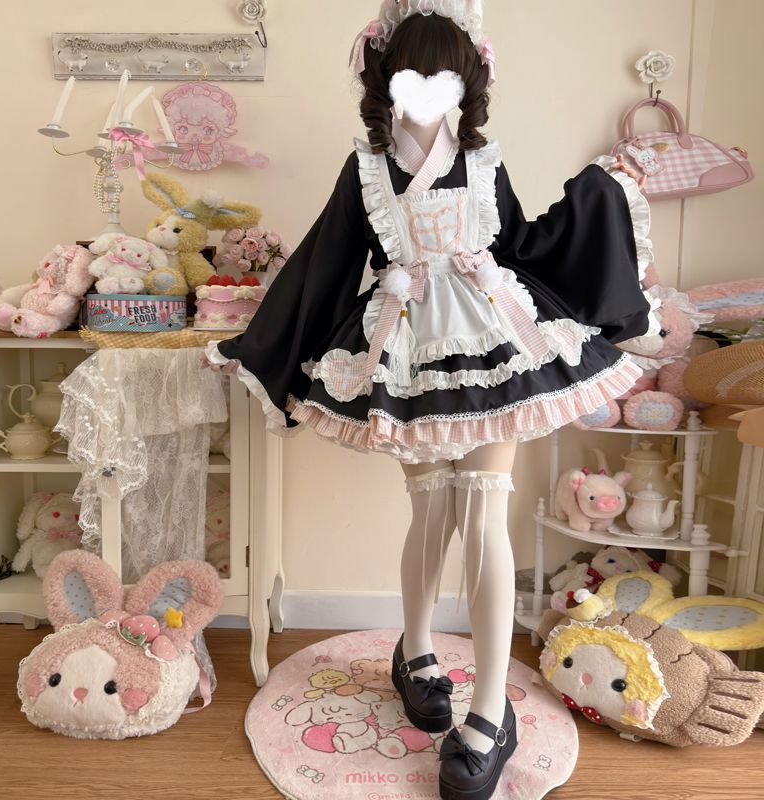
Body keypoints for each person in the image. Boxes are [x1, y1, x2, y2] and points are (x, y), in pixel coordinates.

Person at [207, 2, 653, 797]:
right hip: (406, 352)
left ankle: (489, 710)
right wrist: (265, 350)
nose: (427, 89)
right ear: (385, 77)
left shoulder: (483, 161)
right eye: (412, 73)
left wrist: (602, 193)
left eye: (444, 75)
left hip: (495, 341)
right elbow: (325, 262)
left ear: (468, 81)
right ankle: (415, 652)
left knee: (481, 510)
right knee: (433, 511)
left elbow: (520, 245)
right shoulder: (365, 169)